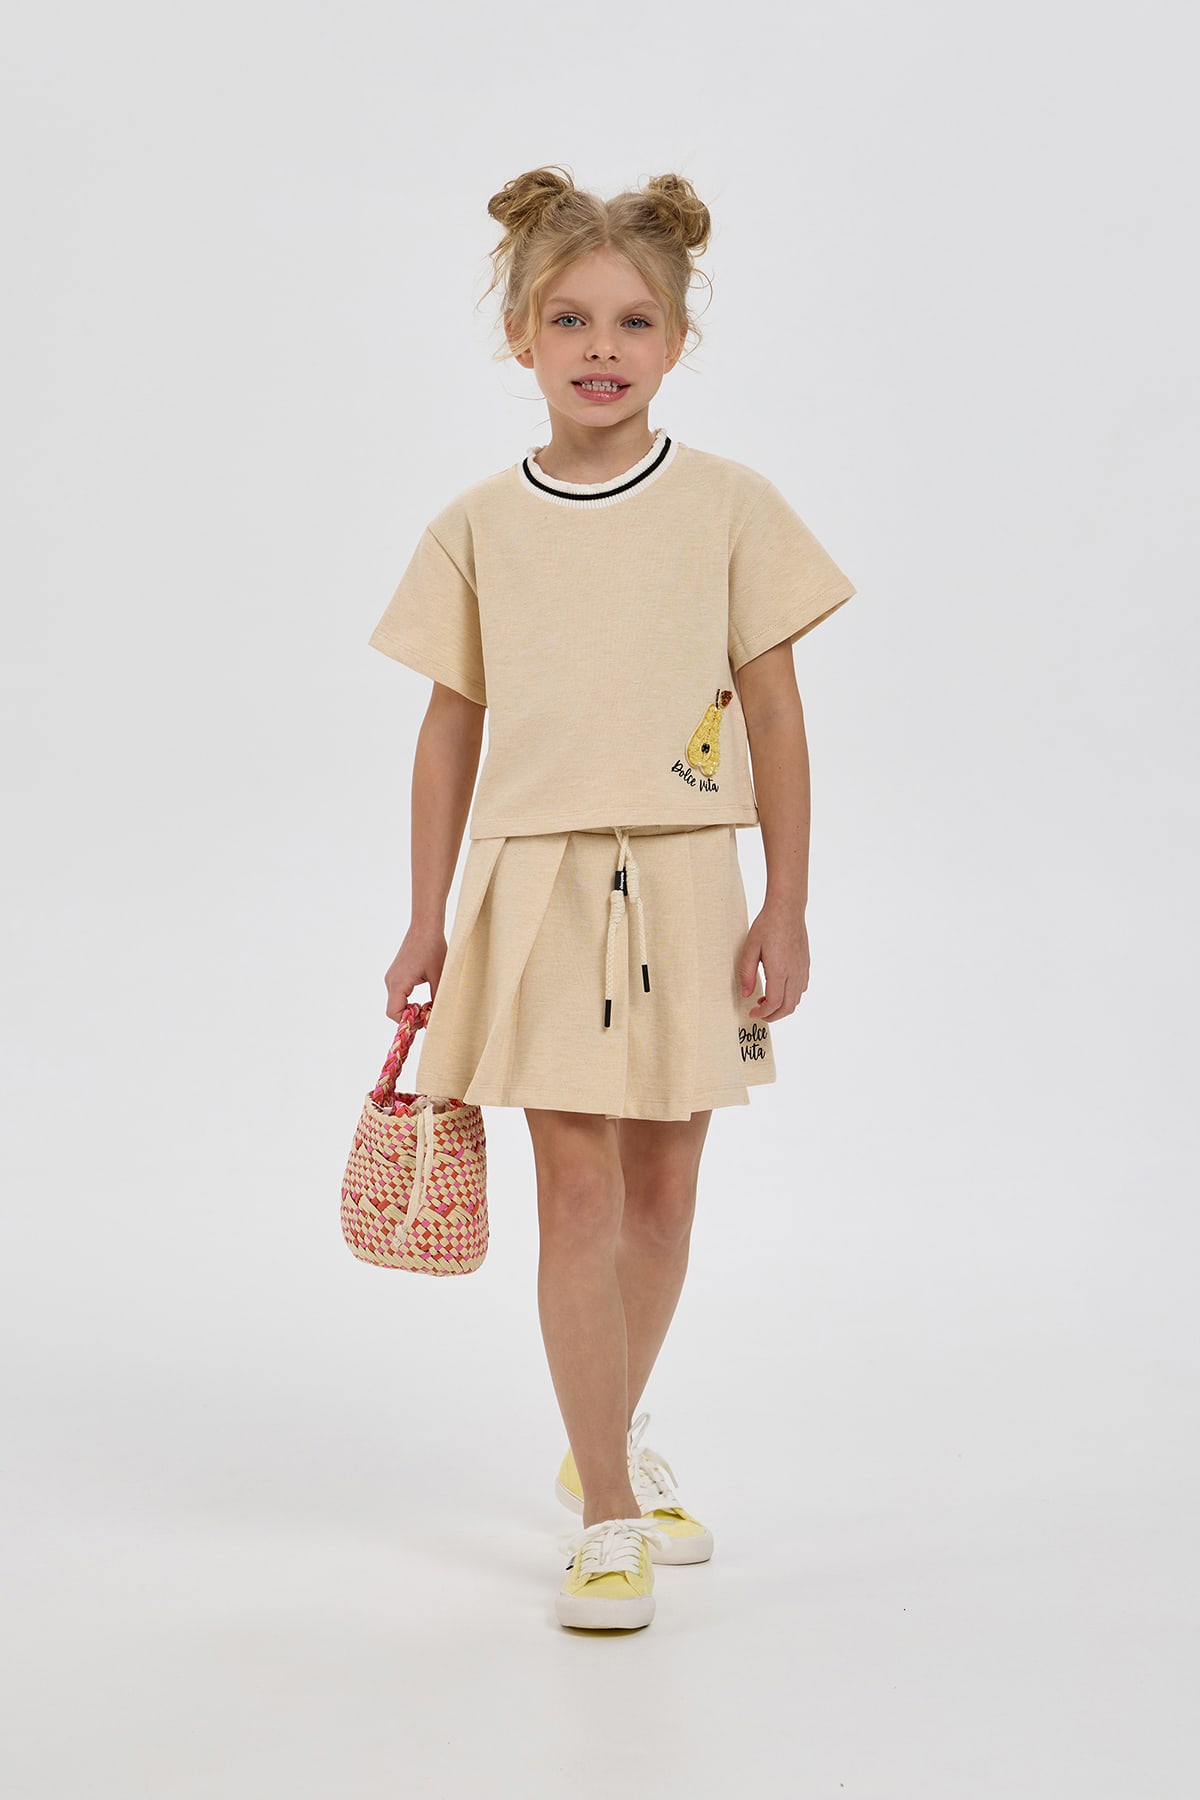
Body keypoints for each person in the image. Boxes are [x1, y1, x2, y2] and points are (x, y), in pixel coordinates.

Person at [366, 165, 856, 1632]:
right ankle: (607, 1516)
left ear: (677, 341)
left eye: (634, 320)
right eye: (568, 318)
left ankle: (606, 1441)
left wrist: (787, 902)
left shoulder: (732, 507)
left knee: (666, 1190)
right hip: (537, 880)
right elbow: (447, 730)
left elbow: (777, 715)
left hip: (693, 875)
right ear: (520, 336)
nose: (600, 346)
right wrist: (424, 915)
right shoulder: (476, 525)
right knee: (573, 1189)